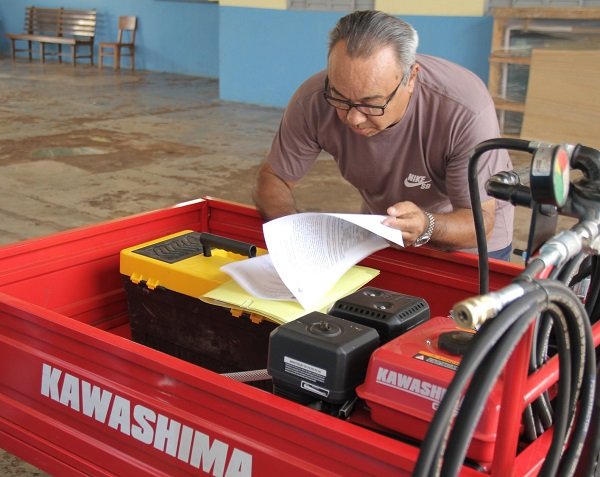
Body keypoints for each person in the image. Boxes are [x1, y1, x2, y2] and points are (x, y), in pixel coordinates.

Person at [253, 10, 514, 261]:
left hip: (470, 236)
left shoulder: (464, 110)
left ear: (411, 79)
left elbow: (478, 223)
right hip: (384, 226)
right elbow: (274, 178)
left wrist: (427, 225)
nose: (353, 118)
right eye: (340, 98)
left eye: (371, 104)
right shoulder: (313, 99)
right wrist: (294, 236)